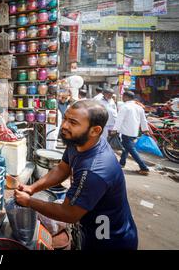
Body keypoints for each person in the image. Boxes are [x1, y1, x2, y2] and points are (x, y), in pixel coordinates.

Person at [15, 100, 138, 250]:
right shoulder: (79, 141)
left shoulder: (94, 170)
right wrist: (32, 188)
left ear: (95, 130)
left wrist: (29, 202)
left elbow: (69, 214)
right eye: (65, 118)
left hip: (109, 239)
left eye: (73, 122)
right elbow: (62, 168)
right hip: (88, 226)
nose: (64, 125)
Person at [111, 91, 150, 176]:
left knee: (131, 150)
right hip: (134, 132)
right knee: (126, 148)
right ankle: (122, 163)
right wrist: (145, 130)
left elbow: (119, 119)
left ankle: (144, 167)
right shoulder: (139, 107)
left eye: (123, 96)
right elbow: (143, 120)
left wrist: (114, 130)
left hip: (126, 132)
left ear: (125, 97)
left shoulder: (125, 106)